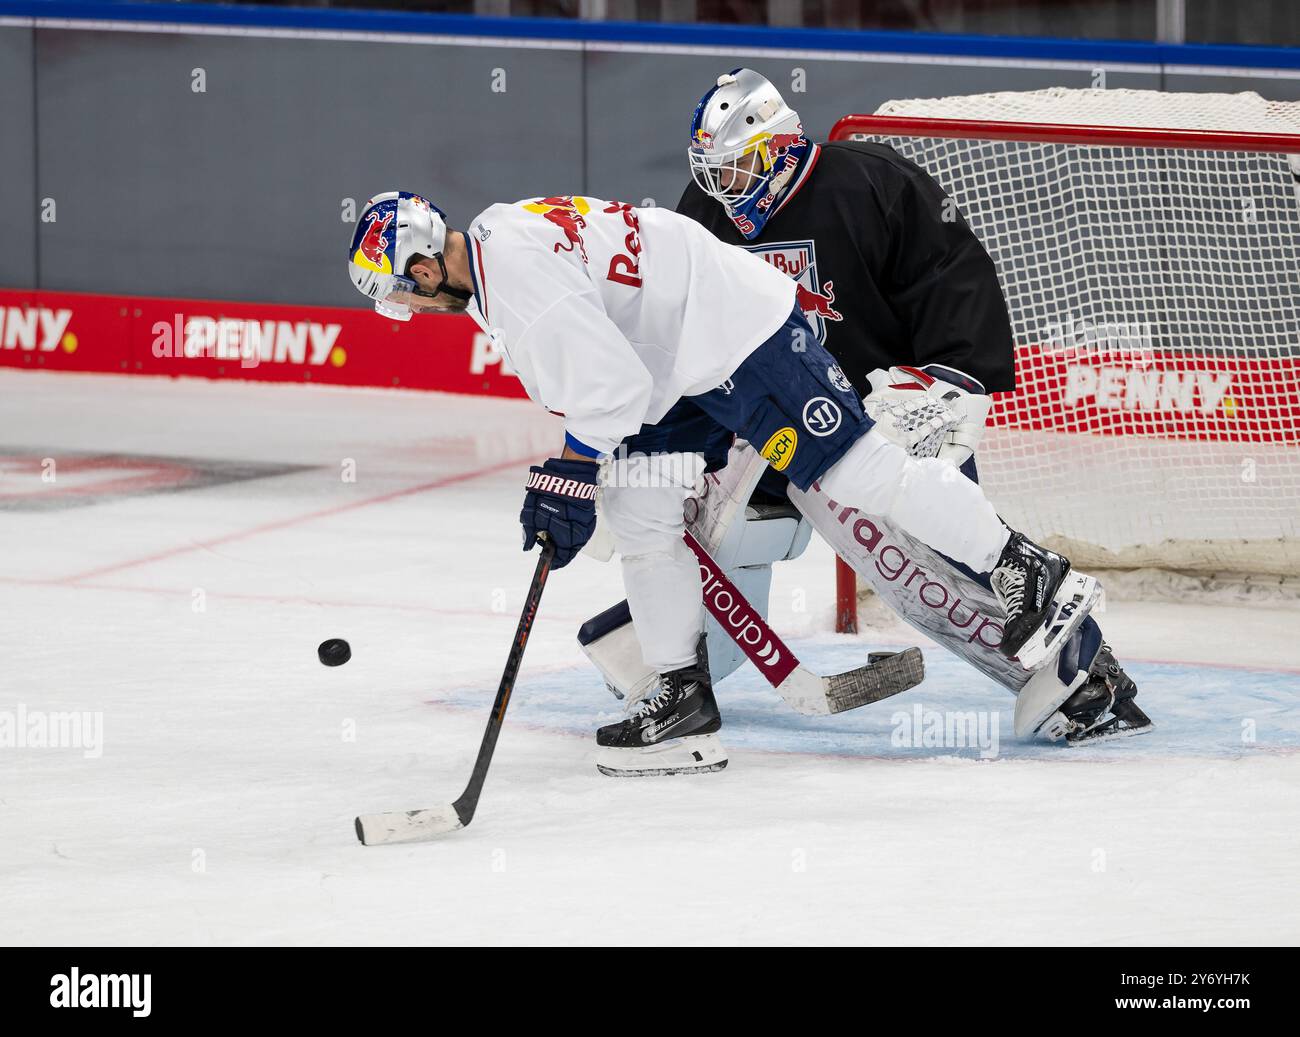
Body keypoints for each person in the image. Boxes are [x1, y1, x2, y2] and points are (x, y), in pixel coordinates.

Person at [346, 189, 1107, 775]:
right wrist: (583, 474)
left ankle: (1023, 567)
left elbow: (604, 387)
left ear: (420, 267)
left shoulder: (510, 277)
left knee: (862, 473)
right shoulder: (492, 244)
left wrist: (572, 470)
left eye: (403, 295)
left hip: (739, 337)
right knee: (640, 496)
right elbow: (607, 367)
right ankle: (681, 696)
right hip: (678, 362)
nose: (408, 309)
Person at [578, 68, 1151, 750]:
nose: (723, 193)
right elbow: (674, 327)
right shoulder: (705, 214)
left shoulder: (872, 182)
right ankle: (674, 661)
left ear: (778, 148)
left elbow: (950, 272)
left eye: (735, 174)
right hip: (753, 417)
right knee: (661, 495)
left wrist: (950, 378)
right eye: (714, 176)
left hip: (863, 424)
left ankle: (1082, 673)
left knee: (910, 565)